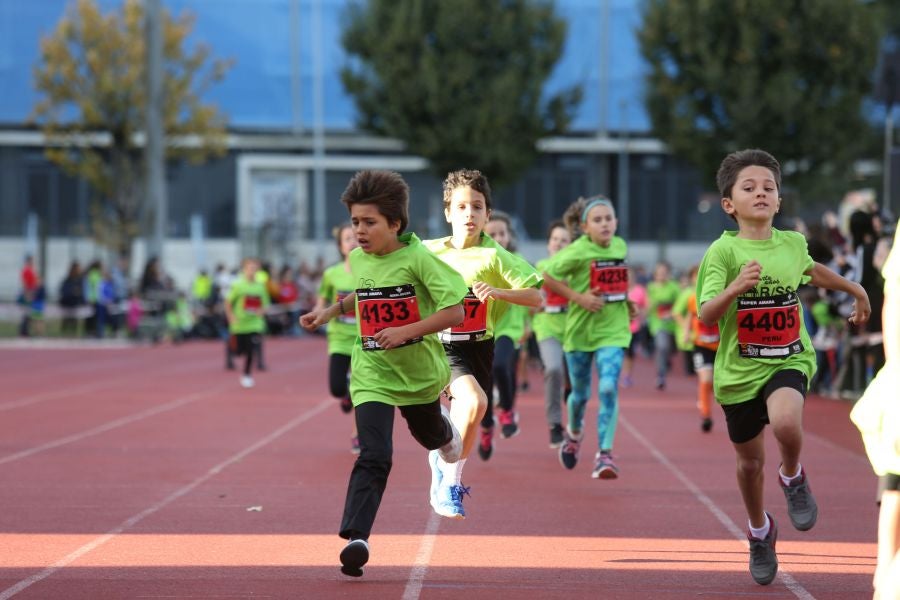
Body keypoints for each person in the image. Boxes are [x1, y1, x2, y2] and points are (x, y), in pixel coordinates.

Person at [696, 148, 870, 586]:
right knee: (749, 465)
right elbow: (707, 315)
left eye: (768, 187)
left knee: (788, 424)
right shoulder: (723, 252)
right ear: (729, 203)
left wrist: (857, 290)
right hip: (739, 371)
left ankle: (792, 475)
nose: (761, 193)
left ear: (779, 201)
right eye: (749, 187)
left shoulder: (792, 244)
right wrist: (736, 287)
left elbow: (813, 272)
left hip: (789, 356)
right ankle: (760, 531)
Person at [299, 169, 466, 578]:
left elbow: (455, 311)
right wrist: (330, 312)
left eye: (369, 222)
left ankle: (444, 431)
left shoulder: (420, 259)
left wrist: (405, 331)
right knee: (375, 454)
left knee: (430, 436)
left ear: (395, 223)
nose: (359, 231)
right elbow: (366, 292)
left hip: (418, 375)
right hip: (371, 370)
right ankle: (358, 537)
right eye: (355, 222)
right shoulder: (358, 258)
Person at [423, 169, 542, 519]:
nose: (469, 214)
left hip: (481, 345)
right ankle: (448, 482)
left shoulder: (495, 256)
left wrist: (498, 292)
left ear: (488, 214)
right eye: (461, 207)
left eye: (477, 207)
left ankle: (446, 466)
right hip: (441, 345)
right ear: (448, 213)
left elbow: (535, 295)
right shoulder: (428, 252)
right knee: (475, 400)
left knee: (473, 414)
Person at [541, 195, 634, 479]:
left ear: (616, 222)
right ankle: (574, 433)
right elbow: (546, 276)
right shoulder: (576, 251)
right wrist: (578, 297)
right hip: (580, 332)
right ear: (585, 226)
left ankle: (604, 454)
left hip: (613, 329)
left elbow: (615, 279)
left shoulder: (620, 246)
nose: (605, 224)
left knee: (607, 387)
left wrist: (627, 301)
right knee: (580, 395)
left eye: (609, 219)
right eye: (598, 220)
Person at [485, 210, 535, 441]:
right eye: (492, 233)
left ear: (508, 236)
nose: (497, 237)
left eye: (501, 233)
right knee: (482, 379)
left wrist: (527, 323)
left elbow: (531, 294)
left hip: (510, 327)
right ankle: (486, 426)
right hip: (483, 327)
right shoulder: (477, 262)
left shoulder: (518, 263)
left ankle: (506, 411)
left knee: (502, 365)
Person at [312, 223, 361, 453]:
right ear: (341, 246)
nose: (352, 241)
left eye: (355, 237)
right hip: (340, 338)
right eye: (347, 238)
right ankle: (345, 396)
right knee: (336, 387)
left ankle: (358, 434)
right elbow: (322, 300)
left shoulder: (371, 272)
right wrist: (317, 312)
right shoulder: (331, 274)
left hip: (364, 340)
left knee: (364, 390)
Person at [533, 220, 573, 447]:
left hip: (573, 326)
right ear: (549, 244)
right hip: (547, 323)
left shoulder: (577, 270)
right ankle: (555, 425)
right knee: (553, 368)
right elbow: (530, 302)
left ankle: (569, 387)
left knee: (573, 377)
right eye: (555, 239)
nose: (558, 243)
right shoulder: (540, 267)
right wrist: (536, 303)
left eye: (564, 240)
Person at [680, 265, 719, 432]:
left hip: (720, 345)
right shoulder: (692, 298)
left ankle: (705, 400)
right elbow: (689, 316)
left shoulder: (719, 296)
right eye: (695, 277)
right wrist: (686, 332)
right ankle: (706, 415)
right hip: (701, 345)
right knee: (705, 379)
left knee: (717, 384)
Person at [224, 257, 270, 388]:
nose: (252, 271)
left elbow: (266, 304)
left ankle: (247, 374)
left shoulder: (260, 286)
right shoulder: (238, 285)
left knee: (252, 349)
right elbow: (227, 302)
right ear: (244, 270)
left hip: (255, 323)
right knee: (239, 351)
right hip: (239, 323)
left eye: (255, 268)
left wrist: (262, 310)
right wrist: (231, 316)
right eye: (250, 268)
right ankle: (232, 354)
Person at [647, 260, 680, 390]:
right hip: (658, 322)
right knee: (662, 346)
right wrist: (651, 305)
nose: (661, 275)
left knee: (671, 349)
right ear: (655, 274)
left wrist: (671, 312)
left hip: (673, 323)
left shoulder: (674, 287)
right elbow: (647, 306)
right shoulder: (651, 287)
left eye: (664, 273)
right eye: (659, 273)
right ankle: (661, 375)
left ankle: (668, 359)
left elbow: (680, 303)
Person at [621, 266, 647, 388]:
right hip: (619, 328)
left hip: (633, 328)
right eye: (626, 277)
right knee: (619, 353)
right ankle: (620, 373)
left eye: (630, 277)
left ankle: (627, 375)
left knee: (630, 354)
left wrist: (642, 316)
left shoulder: (639, 290)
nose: (628, 279)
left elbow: (646, 306)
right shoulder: (619, 291)